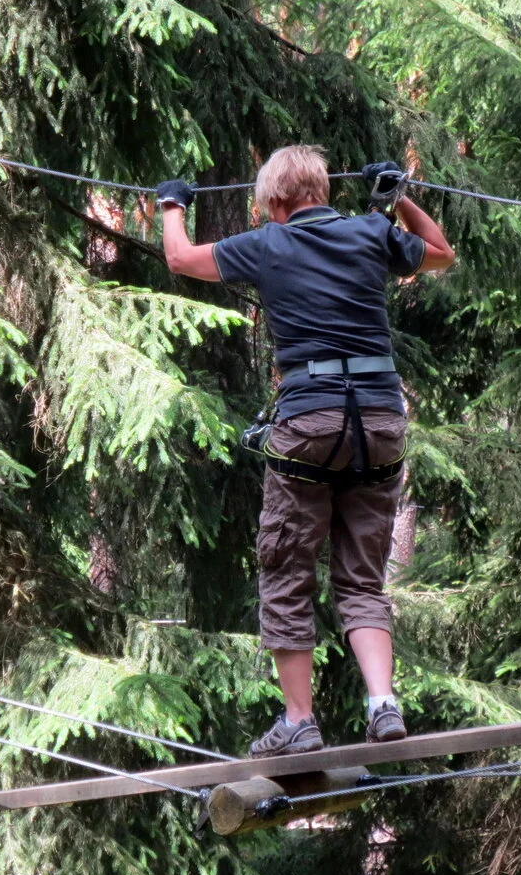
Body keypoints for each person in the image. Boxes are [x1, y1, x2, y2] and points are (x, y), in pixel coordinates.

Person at [155, 147, 454, 758]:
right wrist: (398, 197)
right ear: (322, 190)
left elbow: (180, 258)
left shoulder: (267, 244)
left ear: (274, 202)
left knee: (287, 571)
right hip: (379, 424)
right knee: (362, 578)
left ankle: (299, 719)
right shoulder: (371, 232)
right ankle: (383, 704)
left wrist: (171, 205)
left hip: (309, 424)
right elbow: (441, 254)